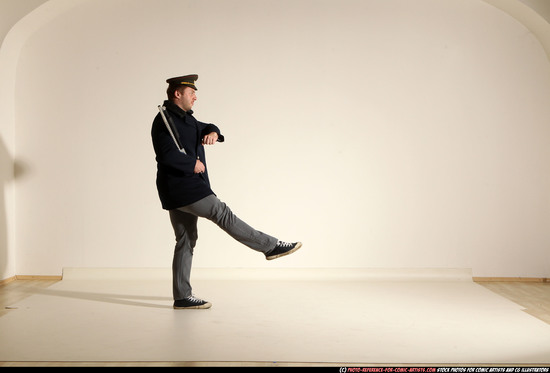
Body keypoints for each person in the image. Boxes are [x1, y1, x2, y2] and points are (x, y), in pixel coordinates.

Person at [151, 74, 302, 309]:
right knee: (222, 213)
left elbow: (207, 126)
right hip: (183, 187)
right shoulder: (164, 120)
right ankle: (269, 246)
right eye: (191, 93)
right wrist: (190, 164)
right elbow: (166, 155)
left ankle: (182, 297)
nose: (195, 97)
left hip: (183, 189)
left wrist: (213, 133)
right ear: (177, 94)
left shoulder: (187, 119)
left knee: (186, 239)